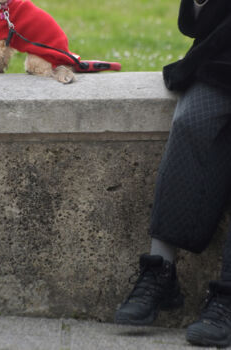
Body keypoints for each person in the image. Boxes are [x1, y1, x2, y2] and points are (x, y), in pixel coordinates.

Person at [114, 0, 231, 347]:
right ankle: (160, 272)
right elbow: (197, 26)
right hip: (222, 63)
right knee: (188, 123)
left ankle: (227, 295)